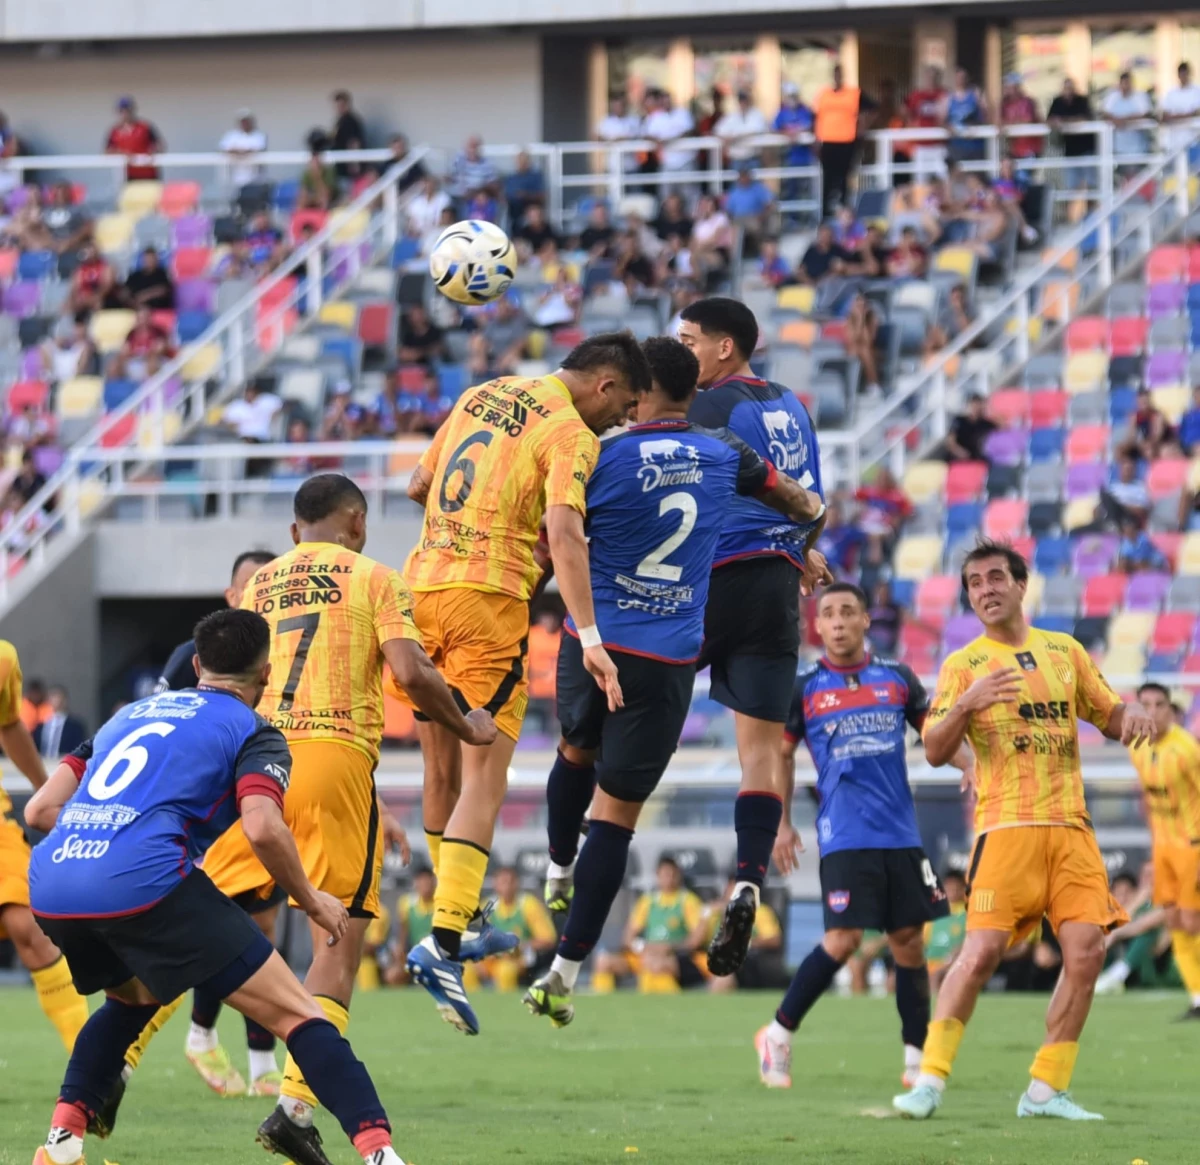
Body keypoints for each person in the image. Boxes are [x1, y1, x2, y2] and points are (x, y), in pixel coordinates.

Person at [23, 609, 408, 1165]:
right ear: (266, 675)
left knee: (133, 999)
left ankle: (60, 1146)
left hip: (55, 883)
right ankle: (381, 1155)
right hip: (142, 883)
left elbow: (39, 808)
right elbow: (261, 826)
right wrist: (309, 897)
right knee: (300, 1015)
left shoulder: (128, 715)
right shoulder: (253, 731)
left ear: (198, 664)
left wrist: (102, 840)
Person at [523, 337, 825, 1026]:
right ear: (692, 388)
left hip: (593, 639)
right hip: (666, 660)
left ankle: (557, 865)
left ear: (640, 389)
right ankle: (563, 974)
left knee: (574, 752)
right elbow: (802, 502)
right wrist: (799, 550)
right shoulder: (726, 454)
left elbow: (554, 541)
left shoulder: (599, 451)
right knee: (618, 816)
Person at [230, 475, 496, 1162]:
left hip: (254, 762)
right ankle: (293, 1103)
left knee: (217, 921)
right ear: (354, 520)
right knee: (335, 943)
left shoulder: (257, 586)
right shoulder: (375, 576)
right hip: (332, 757)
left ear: (297, 529)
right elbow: (408, 671)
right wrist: (465, 725)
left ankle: (110, 1071)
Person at [399, 333, 650, 1036]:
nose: (622, 421)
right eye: (624, 407)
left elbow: (417, 485)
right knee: (488, 769)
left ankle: (457, 911)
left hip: (420, 592)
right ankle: (444, 939)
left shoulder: (483, 391)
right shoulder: (571, 431)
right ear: (604, 384)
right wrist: (592, 638)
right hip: (487, 603)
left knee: (438, 763)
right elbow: (566, 534)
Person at [893, 540, 1154, 1122]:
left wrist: (1132, 715)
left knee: (1086, 954)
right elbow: (934, 749)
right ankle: (929, 1080)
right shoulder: (963, 665)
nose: (984, 589)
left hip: (1072, 830)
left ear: (1019, 585)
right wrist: (967, 705)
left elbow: (1108, 716)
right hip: (1006, 827)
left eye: (994, 578)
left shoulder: (1065, 651)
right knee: (981, 952)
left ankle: (1045, 1089)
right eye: (973, 583)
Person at [756, 583, 971, 1090]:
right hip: (844, 834)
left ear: (864, 621)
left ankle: (916, 1059)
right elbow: (782, 758)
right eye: (827, 613)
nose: (836, 621)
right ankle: (778, 1034)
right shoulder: (805, 686)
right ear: (818, 625)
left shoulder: (896, 678)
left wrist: (970, 765)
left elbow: (934, 733)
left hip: (900, 832)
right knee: (843, 939)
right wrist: (781, 824)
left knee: (909, 945)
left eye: (847, 612)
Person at [678, 297, 832, 979]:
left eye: (687, 339)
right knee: (760, 751)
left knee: (625, 684)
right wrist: (804, 552)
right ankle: (748, 878)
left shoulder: (709, 407)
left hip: (717, 574)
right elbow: (812, 497)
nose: (679, 351)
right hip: (777, 582)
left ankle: (584, 841)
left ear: (722, 348)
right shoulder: (792, 403)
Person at [0, 643, 90, 1059]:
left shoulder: (3, 659)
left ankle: (92, 1064)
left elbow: (9, 725)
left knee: (28, 925)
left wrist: (46, 789)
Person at [1126, 682, 1200, 1018]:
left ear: (1171, 710)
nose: (1153, 712)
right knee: (1173, 921)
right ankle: (1198, 998)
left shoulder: (1187, 750)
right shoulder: (1137, 746)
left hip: (1192, 846)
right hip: (1163, 848)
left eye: (1160, 705)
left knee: (1192, 920)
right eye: (1146, 705)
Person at [590, 856, 709, 992]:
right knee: (604, 961)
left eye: (672, 874)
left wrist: (669, 947)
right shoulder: (648, 901)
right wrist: (642, 947)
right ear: (657, 875)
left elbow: (696, 940)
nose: (669, 879)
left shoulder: (687, 901)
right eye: (665, 874)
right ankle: (604, 1005)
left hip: (675, 956)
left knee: (656, 965)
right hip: (645, 954)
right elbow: (628, 937)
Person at [470, 866, 556, 993]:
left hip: (518, 960)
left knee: (506, 971)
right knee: (467, 971)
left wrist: (520, 945)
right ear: (495, 884)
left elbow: (548, 940)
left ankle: (506, 1008)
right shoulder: (488, 905)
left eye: (510, 882)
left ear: (517, 884)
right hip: (490, 960)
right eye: (502, 882)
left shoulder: (527, 904)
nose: (507, 887)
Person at [707, 876, 785, 992]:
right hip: (708, 958)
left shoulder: (759, 910)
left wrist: (742, 943)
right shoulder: (713, 911)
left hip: (744, 962)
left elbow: (774, 940)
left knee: (725, 970)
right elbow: (696, 940)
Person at [814, 64, 867, 215]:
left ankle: (844, 213)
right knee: (827, 180)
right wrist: (816, 140)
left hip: (847, 142)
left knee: (844, 179)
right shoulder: (824, 94)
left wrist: (862, 125)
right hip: (828, 142)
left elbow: (871, 108)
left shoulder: (853, 93)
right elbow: (817, 117)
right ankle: (826, 214)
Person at [1046, 79, 1097, 190]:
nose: (1068, 91)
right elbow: (1049, 120)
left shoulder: (1082, 101)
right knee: (1071, 186)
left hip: (1086, 148)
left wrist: (1064, 121)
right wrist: (1056, 122)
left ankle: (1092, 208)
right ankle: (1072, 208)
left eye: (1070, 88)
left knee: (1091, 184)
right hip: (1069, 150)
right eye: (1066, 88)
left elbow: (1085, 118)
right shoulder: (1057, 102)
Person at [774, 82, 815, 212]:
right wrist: (786, 133)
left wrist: (796, 132)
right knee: (790, 190)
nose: (792, 98)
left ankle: (807, 216)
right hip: (789, 159)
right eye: (789, 96)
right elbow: (775, 128)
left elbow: (809, 126)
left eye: (793, 95)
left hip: (805, 158)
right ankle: (792, 218)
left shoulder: (805, 110)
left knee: (806, 190)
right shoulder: (782, 112)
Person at [925, 869, 968, 990]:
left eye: (956, 887)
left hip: (951, 962)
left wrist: (948, 961)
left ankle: (935, 1006)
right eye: (948, 887)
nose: (952, 891)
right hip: (929, 962)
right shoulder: (933, 912)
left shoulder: (967, 914)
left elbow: (968, 941)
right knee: (894, 978)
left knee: (935, 976)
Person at [1102, 72, 1152, 171]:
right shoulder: (1112, 98)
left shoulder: (1139, 97)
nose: (1126, 86)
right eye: (1124, 83)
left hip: (1138, 149)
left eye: (1128, 83)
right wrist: (1116, 120)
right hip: (1119, 148)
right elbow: (1104, 114)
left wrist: (1124, 120)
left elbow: (1146, 114)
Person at [104, 96, 163, 181]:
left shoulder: (145, 127)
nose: (125, 113)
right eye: (121, 110)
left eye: (127, 109)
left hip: (149, 173)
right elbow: (107, 151)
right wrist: (121, 153)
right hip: (129, 175)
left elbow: (159, 145)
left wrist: (152, 152)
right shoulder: (115, 131)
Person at [904, 66, 948, 181]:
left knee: (944, 178)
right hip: (921, 144)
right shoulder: (917, 95)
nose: (931, 79)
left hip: (939, 144)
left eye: (933, 76)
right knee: (920, 180)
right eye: (928, 76)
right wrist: (912, 125)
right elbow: (907, 113)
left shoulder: (944, 94)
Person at [715, 89, 769, 168]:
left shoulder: (756, 114)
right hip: (736, 159)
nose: (743, 103)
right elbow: (717, 131)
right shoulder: (732, 116)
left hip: (752, 158)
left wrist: (735, 138)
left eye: (745, 100)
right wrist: (725, 139)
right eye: (741, 100)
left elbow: (755, 131)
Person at [944, 67, 988, 163]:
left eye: (963, 77)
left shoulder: (976, 94)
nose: (960, 80)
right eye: (958, 78)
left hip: (975, 144)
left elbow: (986, 116)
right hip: (957, 145)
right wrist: (948, 127)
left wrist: (976, 125)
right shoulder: (948, 98)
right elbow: (941, 121)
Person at [32, 685, 87, 761]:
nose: (55, 700)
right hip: (44, 765)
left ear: (65, 700)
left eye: (58, 697)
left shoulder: (75, 726)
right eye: (52, 697)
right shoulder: (40, 726)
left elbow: (79, 749)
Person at [940, 392, 997, 462]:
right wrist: (960, 453)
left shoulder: (987, 424)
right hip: (958, 458)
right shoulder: (959, 421)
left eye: (978, 404)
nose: (976, 408)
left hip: (979, 459)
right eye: (973, 404)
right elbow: (950, 442)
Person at [220, 109, 268, 190]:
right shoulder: (232, 135)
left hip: (255, 178)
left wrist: (241, 152)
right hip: (236, 177)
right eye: (243, 121)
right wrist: (240, 152)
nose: (245, 123)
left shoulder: (259, 135)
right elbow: (225, 148)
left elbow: (258, 149)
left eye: (247, 121)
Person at [843, 291, 880, 395]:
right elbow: (851, 340)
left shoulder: (872, 319)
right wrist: (858, 320)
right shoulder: (849, 319)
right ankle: (850, 388)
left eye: (862, 304)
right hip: (854, 349)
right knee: (854, 350)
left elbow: (868, 340)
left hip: (872, 350)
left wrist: (862, 319)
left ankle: (873, 384)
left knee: (864, 351)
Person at [1161, 62, 1200, 153]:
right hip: (1174, 141)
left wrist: (1175, 117)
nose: (1183, 76)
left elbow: (1197, 113)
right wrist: (1188, 115)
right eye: (1181, 73)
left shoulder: (1197, 91)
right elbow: (1164, 116)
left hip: (1193, 139)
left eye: (1185, 73)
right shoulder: (1171, 93)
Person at [1001, 75, 1041, 160]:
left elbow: (1028, 120)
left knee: (1024, 172)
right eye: (1007, 87)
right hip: (1014, 149)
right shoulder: (1005, 104)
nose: (1009, 90)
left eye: (1012, 87)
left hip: (1030, 147)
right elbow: (998, 122)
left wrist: (1010, 123)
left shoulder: (1027, 102)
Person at [124, 246, 175, 311]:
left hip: (157, 310)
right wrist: (134, 303)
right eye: (147, 258)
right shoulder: (134, 276)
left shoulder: (162, 274)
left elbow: (163, 290)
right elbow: (125, 292)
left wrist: (143, 296)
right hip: (137, 309)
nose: (149, 261)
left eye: (151, 258)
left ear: (156, 259)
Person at [330, 90, 366, 182]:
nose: (339, 108)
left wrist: (354, 163)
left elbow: (354, 142)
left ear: (347, 104)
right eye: (337, 106)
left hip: (349, 170)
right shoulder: (340, 121)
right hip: (340, 166)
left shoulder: (351, 121)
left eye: (341, 105)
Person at [504, 150, 546, 226]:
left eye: (524, 161)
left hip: (531, 205)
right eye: (520, 161)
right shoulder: (511, 178)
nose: (522, 163)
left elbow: (541, 195)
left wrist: (525, 195)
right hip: (513, 208)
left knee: (533, 213)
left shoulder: (535, 176)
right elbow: (506, 194)